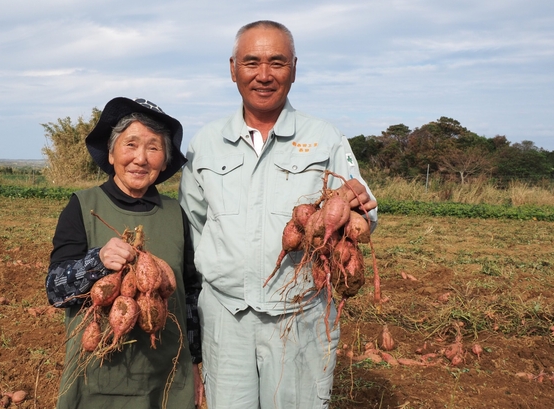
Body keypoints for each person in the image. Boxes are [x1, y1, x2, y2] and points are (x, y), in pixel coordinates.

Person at [178, 21, 378, 409]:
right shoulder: (207, 143)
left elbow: (363, 211)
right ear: (233, 68)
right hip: (226, 317)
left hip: (301, 316)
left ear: (294, 69)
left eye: (277, 63)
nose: (264, 75)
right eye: (251, 62)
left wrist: (359, 209)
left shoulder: (325, 137)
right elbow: (194, 225)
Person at [46, 97, 204, 408]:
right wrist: (96, 262)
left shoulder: (176, 214)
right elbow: (55, 290)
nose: (141, 158)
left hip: (168, 379)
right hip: (99, 378)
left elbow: (190, 295)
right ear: (111, 152)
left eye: (154, 147)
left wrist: (196, 363)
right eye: (131, 144)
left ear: (165, 159)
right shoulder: (83, 206)